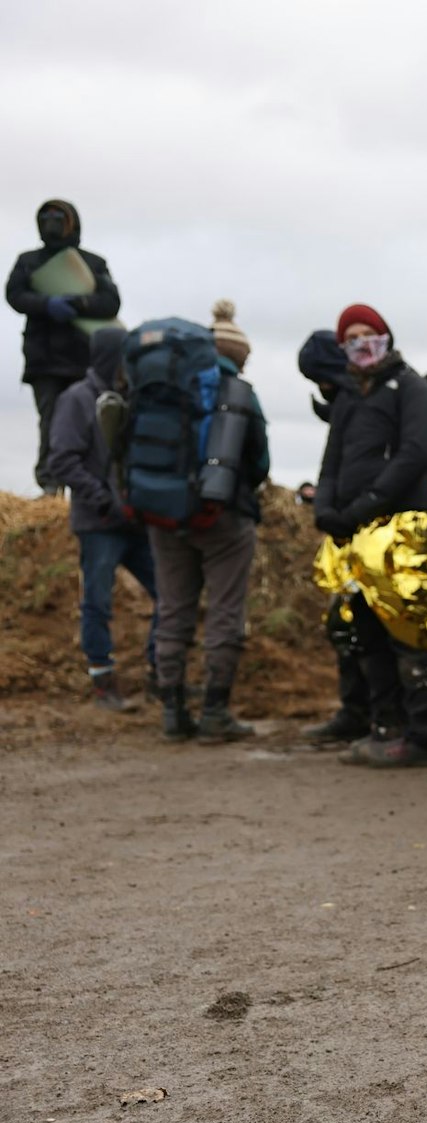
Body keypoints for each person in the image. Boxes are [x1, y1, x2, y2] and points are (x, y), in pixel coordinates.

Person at [309, 305, 427, 768]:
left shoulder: (411, 388)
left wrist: (367, 503)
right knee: (363, 630)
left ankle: (423, 736)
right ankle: (385, 726)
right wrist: (327, 508)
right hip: (353, 532)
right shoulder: (350, 396)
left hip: (402, 527)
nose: (362, 343)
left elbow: (415, 453)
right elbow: (333, 460)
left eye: (369, 334)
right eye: (352, 337)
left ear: (386, 337)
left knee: (410, 632)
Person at [148, 300, 270, 742]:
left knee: (172, 611)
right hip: (225, 518)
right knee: (224, 612)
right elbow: (260, 463)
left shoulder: (165, 389)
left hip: (163, 516)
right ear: (238, 356)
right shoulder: (241, 392)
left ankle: (172, 713)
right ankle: (215, 714)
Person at [45, 325, 157, 710]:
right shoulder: (76, 399)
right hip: (99, 524)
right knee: (97, 601)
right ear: (111, 356)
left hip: (138, 521)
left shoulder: (134, 398)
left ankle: (160, 673)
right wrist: (103, 500)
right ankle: (102, 680)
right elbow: (61, 459)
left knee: (169, 596)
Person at [296, 328, 377, 748]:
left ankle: (373, 714)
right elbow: (334, 466)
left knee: (364, 625)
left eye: (321, 380)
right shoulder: (349, 402)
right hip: (345, 528)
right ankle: (359, 712)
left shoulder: (361, 403)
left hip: (372, 530)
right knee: (345, 621)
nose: (321, 390)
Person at [7, 200, 120, 495]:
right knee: (50, 424)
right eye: (46, 217)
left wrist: (81, 303)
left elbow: (110, 302)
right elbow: (14, 295)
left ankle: (91, 485)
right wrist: (46, 304)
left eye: (59, 218)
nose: (52, 223)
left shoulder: (93, 265)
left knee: (91, 424)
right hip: (43, 360)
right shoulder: (28, 262)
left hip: (83, 360)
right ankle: (50, 486)